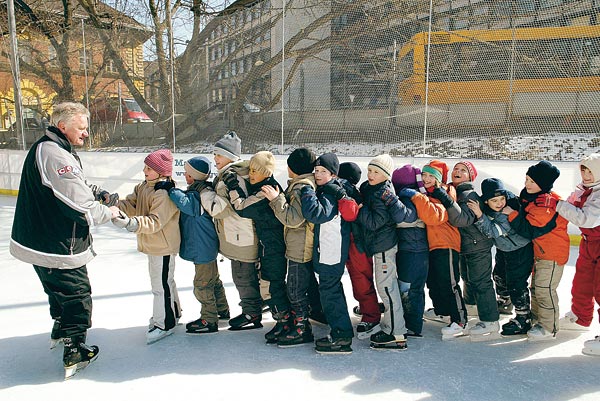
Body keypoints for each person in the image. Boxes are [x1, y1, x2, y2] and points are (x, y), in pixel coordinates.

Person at [10, 102, 119, 379]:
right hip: (57, 242)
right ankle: (74, 348)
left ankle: (60, 327)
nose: (86, 133)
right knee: (76, 294)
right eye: (81, 128)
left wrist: (96, 191)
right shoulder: (54, 153)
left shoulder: (51, 147)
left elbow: (70, 184)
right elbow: (79, 205)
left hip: (39, 239)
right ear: (63, 126)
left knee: (56, 288)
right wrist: (108, 212)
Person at [112, 149, 182, 344]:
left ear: (162, 172)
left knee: (160, 286)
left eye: (149, 168)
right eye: (145, 167)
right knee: (166, 282)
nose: (144, 171)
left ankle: (164, 324)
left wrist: (131, 224)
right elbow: (131, 204)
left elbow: (155, 222)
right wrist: (115, 204)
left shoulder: (164, 193)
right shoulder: (144, 186)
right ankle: (173, 313)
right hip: (153, 244)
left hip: (163, 246)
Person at [199, 131, 262, 330]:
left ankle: (251, 313)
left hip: (241, 237)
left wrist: (204, 191)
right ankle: (254, 308)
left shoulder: (231, 176)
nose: (215, 158)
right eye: (214, 154)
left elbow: (219, 209)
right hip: (242, 234)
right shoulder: (234, 173)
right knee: (247, 276)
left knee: (243, 277)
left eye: (219, 154)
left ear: (231, 156)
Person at [226, 151, 291, 343]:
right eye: (250, 170)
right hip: (269, 245)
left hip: (273, 247)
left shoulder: (266, 191)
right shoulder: (264, 186)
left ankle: (284, 321)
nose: (251, 174)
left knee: (271, 285)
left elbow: (241, 207)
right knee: (269, 283)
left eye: (256, 171)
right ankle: (274, 318)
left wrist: (233, 186)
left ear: (266, 173)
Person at [398, 160, 466, 340]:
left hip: (446, 243)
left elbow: (433, 217)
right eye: (425, 175)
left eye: (432, 176)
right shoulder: (426, 193)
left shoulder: (443, 191)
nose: (427, 179)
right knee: (434, 283)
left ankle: (460, 320)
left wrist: (416, 197)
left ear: (439, 179)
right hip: (432, 245)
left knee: (449, 283)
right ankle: (443, 312)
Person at [433, 161, 500, 340]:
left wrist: (446, 200)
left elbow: (461, 220)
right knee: (468, 279)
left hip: (478, 246)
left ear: (470, 177)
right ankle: (471, 305)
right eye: (456, 168)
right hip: (466, 246)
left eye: (463, 170)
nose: (458, 171)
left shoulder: (469, 194)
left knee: (481, 281)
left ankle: (490, 320)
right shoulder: (455, 191)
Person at [468, 178, 540, 337]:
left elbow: (491, 232)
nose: (500, 203)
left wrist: (480, 215)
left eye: (502, 199)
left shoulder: (508, 210)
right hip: (504, 249)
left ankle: (523, 317)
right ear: (486, 201)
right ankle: (505, 301)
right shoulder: (490, 208)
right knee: (498, 276)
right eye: (494, 200)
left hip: (520, 250)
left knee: (516, 283)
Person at [263, 148, 321, 346]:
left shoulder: (301, 187)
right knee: (298, 287)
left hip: (300, 247)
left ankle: (302, 328)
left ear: (292, 167)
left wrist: (276, 199)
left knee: (295, 290)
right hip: (300, 244)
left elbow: (293, 219)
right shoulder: (303, 183)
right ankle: (296, 324)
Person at [357, 154, 415, 349]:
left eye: (376, 172)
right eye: (370, 171)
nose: (371, 175)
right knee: (385, 286)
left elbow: (374, 222)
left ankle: (396, 332)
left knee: (387, 288)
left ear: (386, 176)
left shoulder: (383, 193)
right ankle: (391, 324)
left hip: (384, 247)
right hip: (378, 245)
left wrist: (360, 209)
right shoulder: (371, 188)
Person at [506, 160, 569, 341]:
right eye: (526, 179)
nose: (527, 184)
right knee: (536, 289)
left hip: (551, 254)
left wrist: (511, 214)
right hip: (540, 253)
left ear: (543, 184)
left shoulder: (547, 204)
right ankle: (537, 321)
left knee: (545, 290)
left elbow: (529, 229)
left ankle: (549, 327)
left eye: (532, 182)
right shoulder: (533, 198)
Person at [168, 156, 230, 334]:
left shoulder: (198, 195)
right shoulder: (203, 191)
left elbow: (187, 205)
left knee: (202, 284)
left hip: (202, 247)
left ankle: (209, 319)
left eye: (187, 173)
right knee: (213, 281)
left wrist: (172, 190)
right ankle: (222, 310)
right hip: (206, 246)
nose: (185, 175)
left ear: (191, 177)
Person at [301, 152, 354, 354]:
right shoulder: (331, 189)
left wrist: (307, 192)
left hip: (331, 250)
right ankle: (338, 327)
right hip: (329, 248)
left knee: (330, 290)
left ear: (333, 174)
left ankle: (341, 335)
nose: (318, 175)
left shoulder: (331, 192)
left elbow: (316, 214)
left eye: (323, 171)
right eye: (316, 171)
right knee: (330, 289)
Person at [554, 153, 600, 355]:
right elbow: (571, 205)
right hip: (588, 243)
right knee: (582, 283)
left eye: (591, 171)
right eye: (584, 170)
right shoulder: (584, 189)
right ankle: (580, 317)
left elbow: (586, 219)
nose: (587, 175)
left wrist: (556, 205)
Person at [337, 161, 382, 340]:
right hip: (359, 241)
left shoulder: (344, 189)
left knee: (360, 278)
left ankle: (371, 315)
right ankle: (369, 307)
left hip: (357, 242)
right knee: (362, 278)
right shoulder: (356, 190)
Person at [391, 164, 429, 337]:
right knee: (414, 287)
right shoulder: (417, 196)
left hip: (412, 250)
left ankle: (412, 324)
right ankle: (413, 320)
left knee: (408, 288)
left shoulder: (407, 198)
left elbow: (405, 217)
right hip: (415, 249)